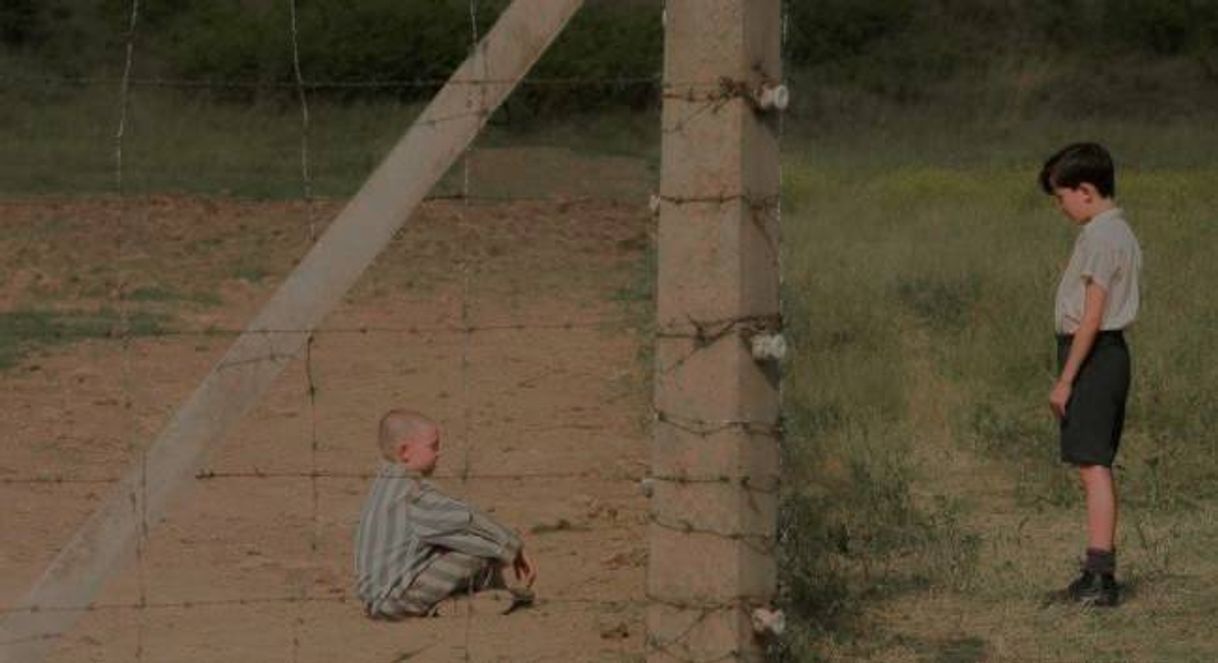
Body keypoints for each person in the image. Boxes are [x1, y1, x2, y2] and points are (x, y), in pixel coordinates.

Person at [1039, 142, 1142, 607]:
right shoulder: (1118, 232)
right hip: (1105, 353)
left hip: (1094, 353)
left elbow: (1093, 315)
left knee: (1092, 466)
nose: (1060, 207)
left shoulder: (1101, 238)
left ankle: (1100, 578)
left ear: (1085, 190)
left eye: (1061, 197)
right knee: (1091, 462)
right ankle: (1097, 572)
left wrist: (1066, 379)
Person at [354, 409, 537, 618]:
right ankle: (469, 601)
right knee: (480, 549)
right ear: (405, 452)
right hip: (395, 599)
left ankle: (469, 599)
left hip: (377, 598)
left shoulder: (384, 484)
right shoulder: (412, 494)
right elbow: (465, 519)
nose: (439, 453)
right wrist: (512, 545)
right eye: (433, 446)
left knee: (459, 544)